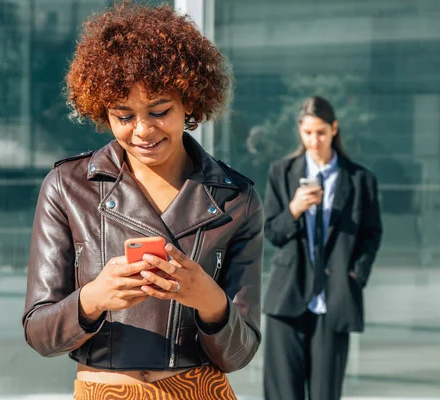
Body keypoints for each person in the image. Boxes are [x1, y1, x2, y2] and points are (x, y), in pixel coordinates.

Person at [22, 3, 264, 399]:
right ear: (103, 111)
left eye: (159, 110)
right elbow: (39, 333)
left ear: (189, 101)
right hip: (104, 391)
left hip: (198, 390)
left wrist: (209, 300)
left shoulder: (237, 199)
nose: (143, 130)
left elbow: (240, 353)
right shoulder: (68, 187)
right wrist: (94, 298)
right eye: (124, 115)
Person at [262, 96, 383, 400]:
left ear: (334, 130)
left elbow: (372, 234)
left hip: (335, 298)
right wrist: (293, 209)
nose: (314, 140)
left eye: (321, 132)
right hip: (287, 298)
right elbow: (272, 233)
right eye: (307, 133)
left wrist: (356, 275)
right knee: (282, 393)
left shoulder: (360, 179)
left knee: (325, 393)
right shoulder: (282, 172)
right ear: (299, 132)